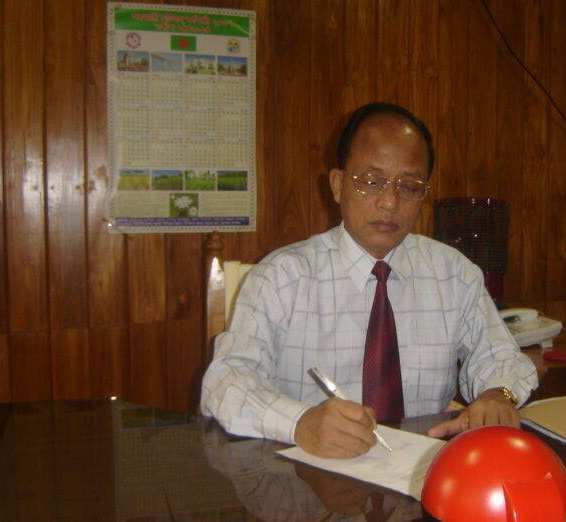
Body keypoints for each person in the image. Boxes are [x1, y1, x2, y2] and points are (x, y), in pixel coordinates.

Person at [201, 102, 538, 459]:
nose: (390, 202)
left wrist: (497, 395)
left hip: (422, 472)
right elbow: (226, 381)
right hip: (310, 481)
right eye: (371, 182)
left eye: (409, 186)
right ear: (337, 185)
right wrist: (300, 423)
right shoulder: (283, 277)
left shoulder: (454, 274)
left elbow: (502, 358)